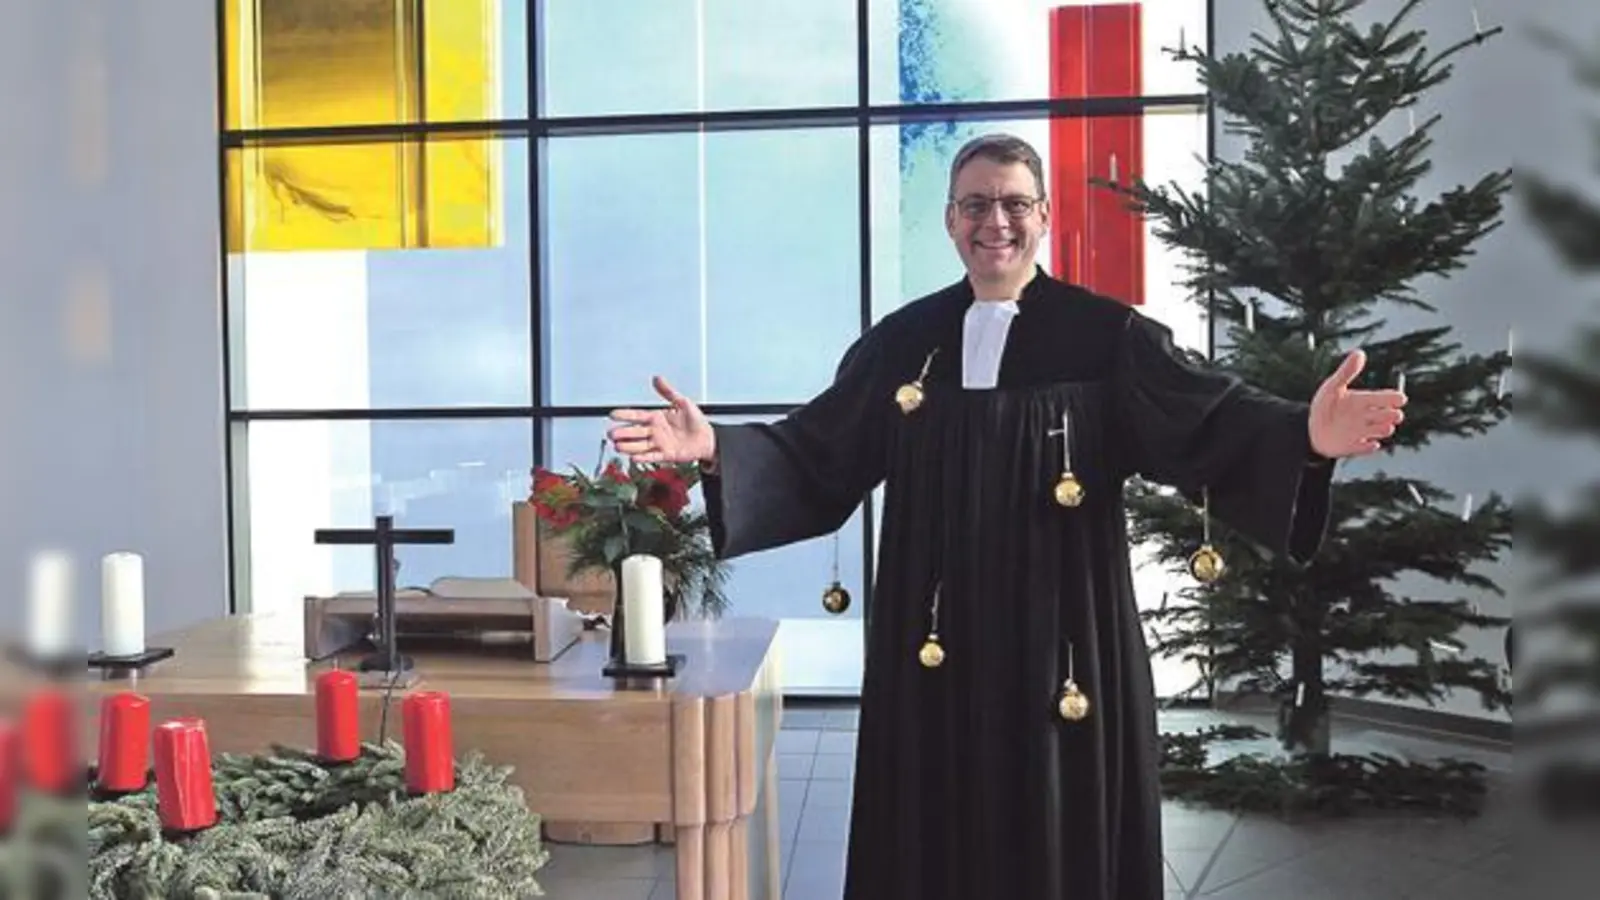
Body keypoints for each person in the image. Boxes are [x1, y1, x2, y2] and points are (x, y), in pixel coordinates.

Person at [608, 133, 1404, 900]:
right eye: (977, 205)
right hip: (933, 643)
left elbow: (1206, 420)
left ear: (1046, 215)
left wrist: (1306, 433)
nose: (998, 222)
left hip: (1064, 639)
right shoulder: (904, 343)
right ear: (951, 220)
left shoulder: (1106, 336)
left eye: (1016, 203)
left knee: (1057, 811)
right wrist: (716, 446)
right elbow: (820, 450)